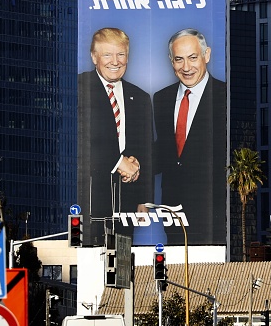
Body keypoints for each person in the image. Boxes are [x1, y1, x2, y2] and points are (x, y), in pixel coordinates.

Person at [78, 27, 153, 246]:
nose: (115, 61)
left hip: (127, 198)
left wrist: (144, 199)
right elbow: (83, 139)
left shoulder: (140, 97)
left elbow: (146, 150)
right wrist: (120, 162)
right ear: (94, 57)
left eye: (121, 54)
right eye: (107, 54)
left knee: (122, 263)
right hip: (89, 192)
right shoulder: (80, 88)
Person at [153, 28, 226, 245]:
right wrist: (134, 163)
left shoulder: (225, 96)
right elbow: (165, 151)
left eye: (193, 58)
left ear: (207, 55)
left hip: (214, 211)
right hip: (173, 210)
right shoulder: (161, 99)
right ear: (171, 61)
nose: (186, 67)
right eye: (179, 59)